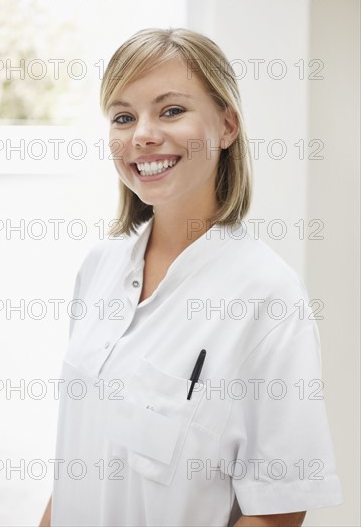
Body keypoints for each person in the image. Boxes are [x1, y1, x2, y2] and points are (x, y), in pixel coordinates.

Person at [39, 27, 343, 527]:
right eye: (123, 116)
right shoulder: (98, 268)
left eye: (171, 110)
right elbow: (78, 459)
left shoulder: (269, 298)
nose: (142, 134)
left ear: (227, 125)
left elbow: (278, 510)